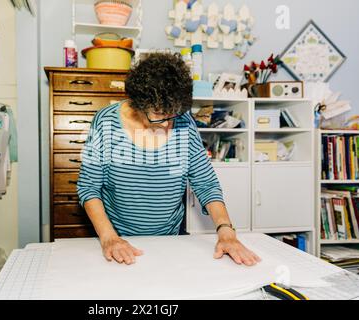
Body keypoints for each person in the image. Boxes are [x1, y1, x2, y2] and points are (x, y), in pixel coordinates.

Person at [77, 52, 261, 266]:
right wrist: (109, 238)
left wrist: (226, 231)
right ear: (139, 102)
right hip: (118, 237)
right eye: (158, 114)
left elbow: (206, 184)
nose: (166, 124)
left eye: (172, 114)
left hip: (170, 240)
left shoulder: (183, 123)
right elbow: (88, 187)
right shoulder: (105, 121)